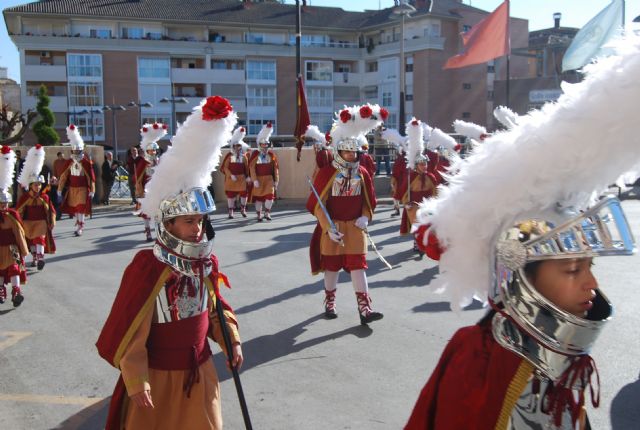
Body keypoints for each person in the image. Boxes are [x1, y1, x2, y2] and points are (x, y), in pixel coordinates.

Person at [406, 38, 639, 429]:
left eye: (587, 266)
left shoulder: (557, 352)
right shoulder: (477, 358)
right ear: (519, 277)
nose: (592, 284)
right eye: (571, 270)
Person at [96, 95, 243, 430]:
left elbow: (216, 308)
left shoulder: (208, 261)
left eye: (200, 221)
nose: (197, 229)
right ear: (169, 225)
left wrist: (230, 339)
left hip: (201, 372)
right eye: (189, 221)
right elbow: (133, 328)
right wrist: (137, 379)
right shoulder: (148, 266)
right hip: (158, 380)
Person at [307, 103, 387, 325]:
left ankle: (365, 308)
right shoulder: (327, 173)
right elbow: (317, 204)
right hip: (333, 228)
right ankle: (329, 301)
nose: (352, 155)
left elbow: (368, 201)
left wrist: (365, 217)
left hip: (355, 227)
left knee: (358, 266)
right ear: (339, 150)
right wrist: (327, 227)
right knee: (331, 268)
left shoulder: (362, 173)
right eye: (348, 151)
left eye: (355, 151)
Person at [393, 120, 437, 252]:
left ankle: (426, 242)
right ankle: (417, 243)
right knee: (416, 224)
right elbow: (404, 191)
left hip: (427, 203)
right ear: (416, 165)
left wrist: (435, 202)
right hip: (414, 203)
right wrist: (406, 202)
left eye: (426, 164)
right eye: (422, 165)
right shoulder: (410, 176)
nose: (425, 167)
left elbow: (435, 191)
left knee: (427, 225)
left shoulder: (431, 177)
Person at [15, 145, 56, 270]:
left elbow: (51, 210)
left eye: (39, 185)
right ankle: (34, 257)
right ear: (31, 185)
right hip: (28, 222)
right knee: (31, 241)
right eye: (36, 185)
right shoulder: (25, 197)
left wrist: (51, 221)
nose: (38, 187)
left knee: (39, 239)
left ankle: (40, 258)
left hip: (41, 223)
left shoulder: (44, 197)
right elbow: (18, 211)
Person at [0, 146, 28, 307]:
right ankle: (1, 290)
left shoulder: (12, 215)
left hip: (12, 248)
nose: (3, 206)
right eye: (1, 203)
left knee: (14, 268)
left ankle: (16, 290)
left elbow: (19, 232)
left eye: (5, 203)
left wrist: (23, 249)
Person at [57, 124, 96, 237]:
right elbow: (63, 177)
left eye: (78, 152)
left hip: (83, 188)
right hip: (72, 188)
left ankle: (80, 226)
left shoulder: (86, 162)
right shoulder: (69, 162)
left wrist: (92, 190)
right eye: (75, 152)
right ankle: (79, 223)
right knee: (76, 209)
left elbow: (91, 177)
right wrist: (59, 189)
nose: (76, 154)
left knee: (80, 207)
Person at [134, 123, 167, 241]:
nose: (153, 152)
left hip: (157, 189)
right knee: (146, 212)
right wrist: (139, 191)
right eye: (151, 151)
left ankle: (159, 233)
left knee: (159, 212)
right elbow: (138, 178)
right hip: (147, 190)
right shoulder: (143, 162)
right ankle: (148, 231)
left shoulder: (159, 161)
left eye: (154, 150)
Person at [248, 122, 279, 222]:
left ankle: (267, 212)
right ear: (259, 144)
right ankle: (259, 214)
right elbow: (251, 167)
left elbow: (275, 168)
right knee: (259, 198)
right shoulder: (255, 154)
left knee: (270, 196)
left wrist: (276, 180)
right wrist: (254, 180)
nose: (265, 146)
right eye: (263, 145)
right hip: (259, 179)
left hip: (269, 179)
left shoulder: (271, 154)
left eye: (266, 145)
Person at [220, 126, 250, 218]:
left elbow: (247, 167)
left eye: (239, 146)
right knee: (231, 195)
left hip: (241, 178)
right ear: (233, 146)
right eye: (236, 146)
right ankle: (230, 211)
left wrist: (248, 176)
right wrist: (230, 175)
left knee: (244, 194)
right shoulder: (230, 156)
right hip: (231, 179)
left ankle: (243, 209)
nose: (237, 148)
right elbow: (225, 167)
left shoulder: (244, 157)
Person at [383, 127, 407, 217]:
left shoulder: (401, 158)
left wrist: (393, 180)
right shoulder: (405, 157)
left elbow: (396, 170)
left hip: (401, 179)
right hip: (403, 178)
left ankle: (398, 210)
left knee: (396, 195)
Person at [52, 151, 66, 220]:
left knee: (66, 197)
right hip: (58, 181)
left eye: (62, 155)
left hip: (65, 181)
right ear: (58, 156)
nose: (62, 157)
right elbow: (54, 171)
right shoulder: (55, 162)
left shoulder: (66, 162)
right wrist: (55, 179)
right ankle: (59, 214)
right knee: (59, 198)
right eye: (60, 156)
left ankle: (70, 213)